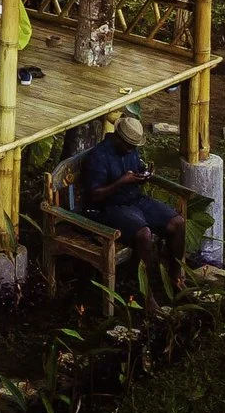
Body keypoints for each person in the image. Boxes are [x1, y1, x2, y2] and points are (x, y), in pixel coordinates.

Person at [76, 111, 183, 293]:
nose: (132, 149)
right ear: (118, 137)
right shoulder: (99, 157)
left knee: (177, 223)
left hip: (137, 200)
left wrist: (144, 175)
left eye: (135, 146)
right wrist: (121, 182)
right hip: (110, 207)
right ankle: (144, 291)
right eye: (129, 145)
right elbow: (95, 195)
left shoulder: (131, 150)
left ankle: (176, 277)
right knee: (144, 234)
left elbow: (137, 168)